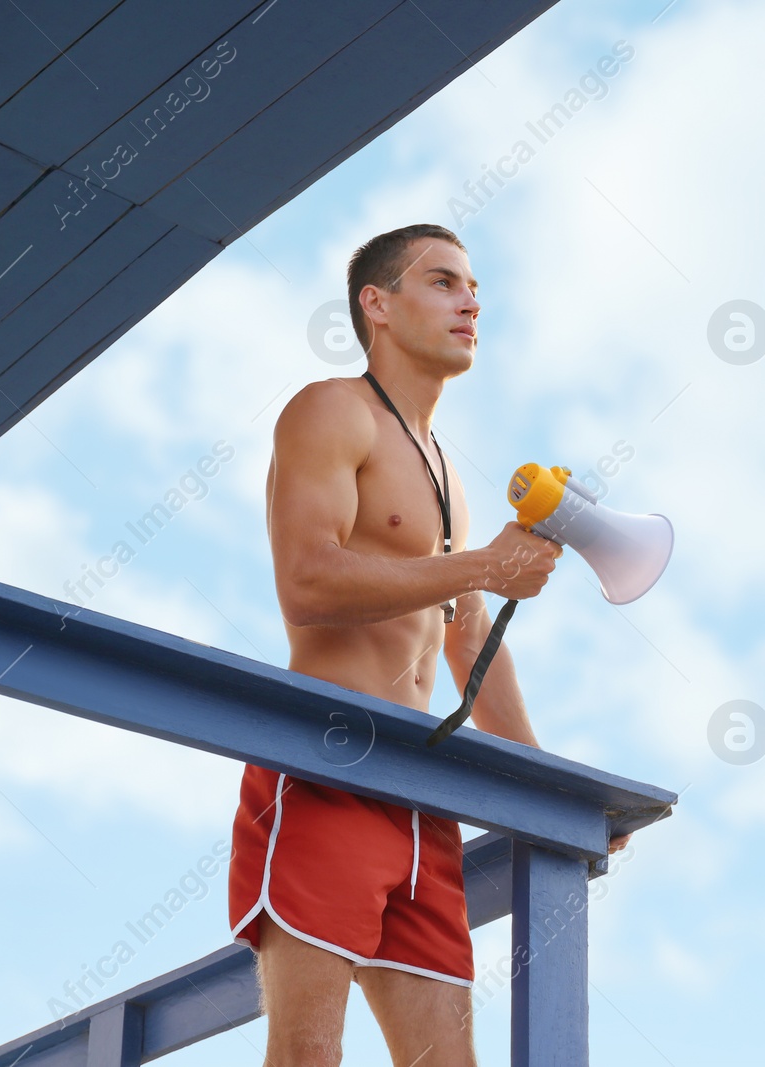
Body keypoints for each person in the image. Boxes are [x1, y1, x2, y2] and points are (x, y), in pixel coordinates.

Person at [228, 224, 627, 1067]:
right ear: (377, 303)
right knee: (307, 1058)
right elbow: (307, 580)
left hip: (421, 798)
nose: (471, 301)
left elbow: (468, 636)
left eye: (474, 287)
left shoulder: (446, 472)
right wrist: (482, 565)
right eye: (443, 282)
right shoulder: (332, 410)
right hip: (328, 768)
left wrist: (551, 787)